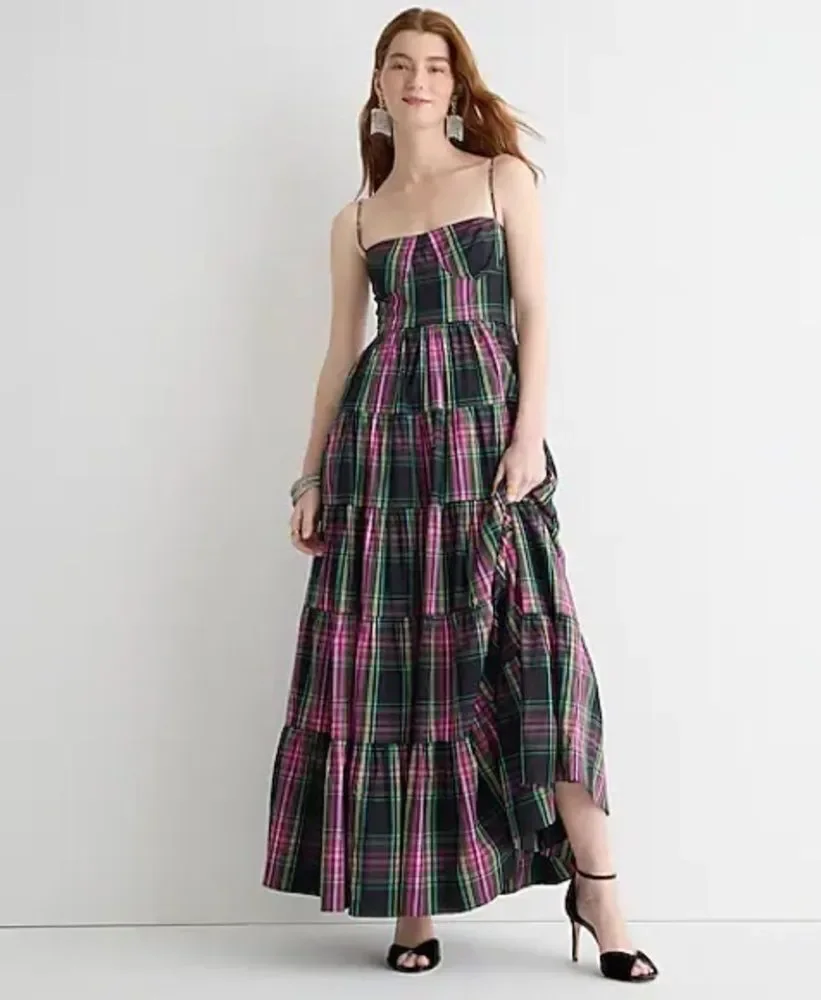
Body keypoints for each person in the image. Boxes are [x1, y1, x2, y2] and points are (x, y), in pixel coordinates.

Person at [262, 7, 657, 984]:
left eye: (435, 66)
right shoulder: (356, 220)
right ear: (379, 85)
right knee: (402, 671)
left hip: (486, 447)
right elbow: (340, 355)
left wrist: (527, 435)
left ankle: (600, 892)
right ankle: (413, 903)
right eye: (400, 64)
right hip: (382, 459)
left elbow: (535, 311)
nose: (417, 79)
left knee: (545, 662)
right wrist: (310, 473)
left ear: (455, 82)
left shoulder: (501, 177)